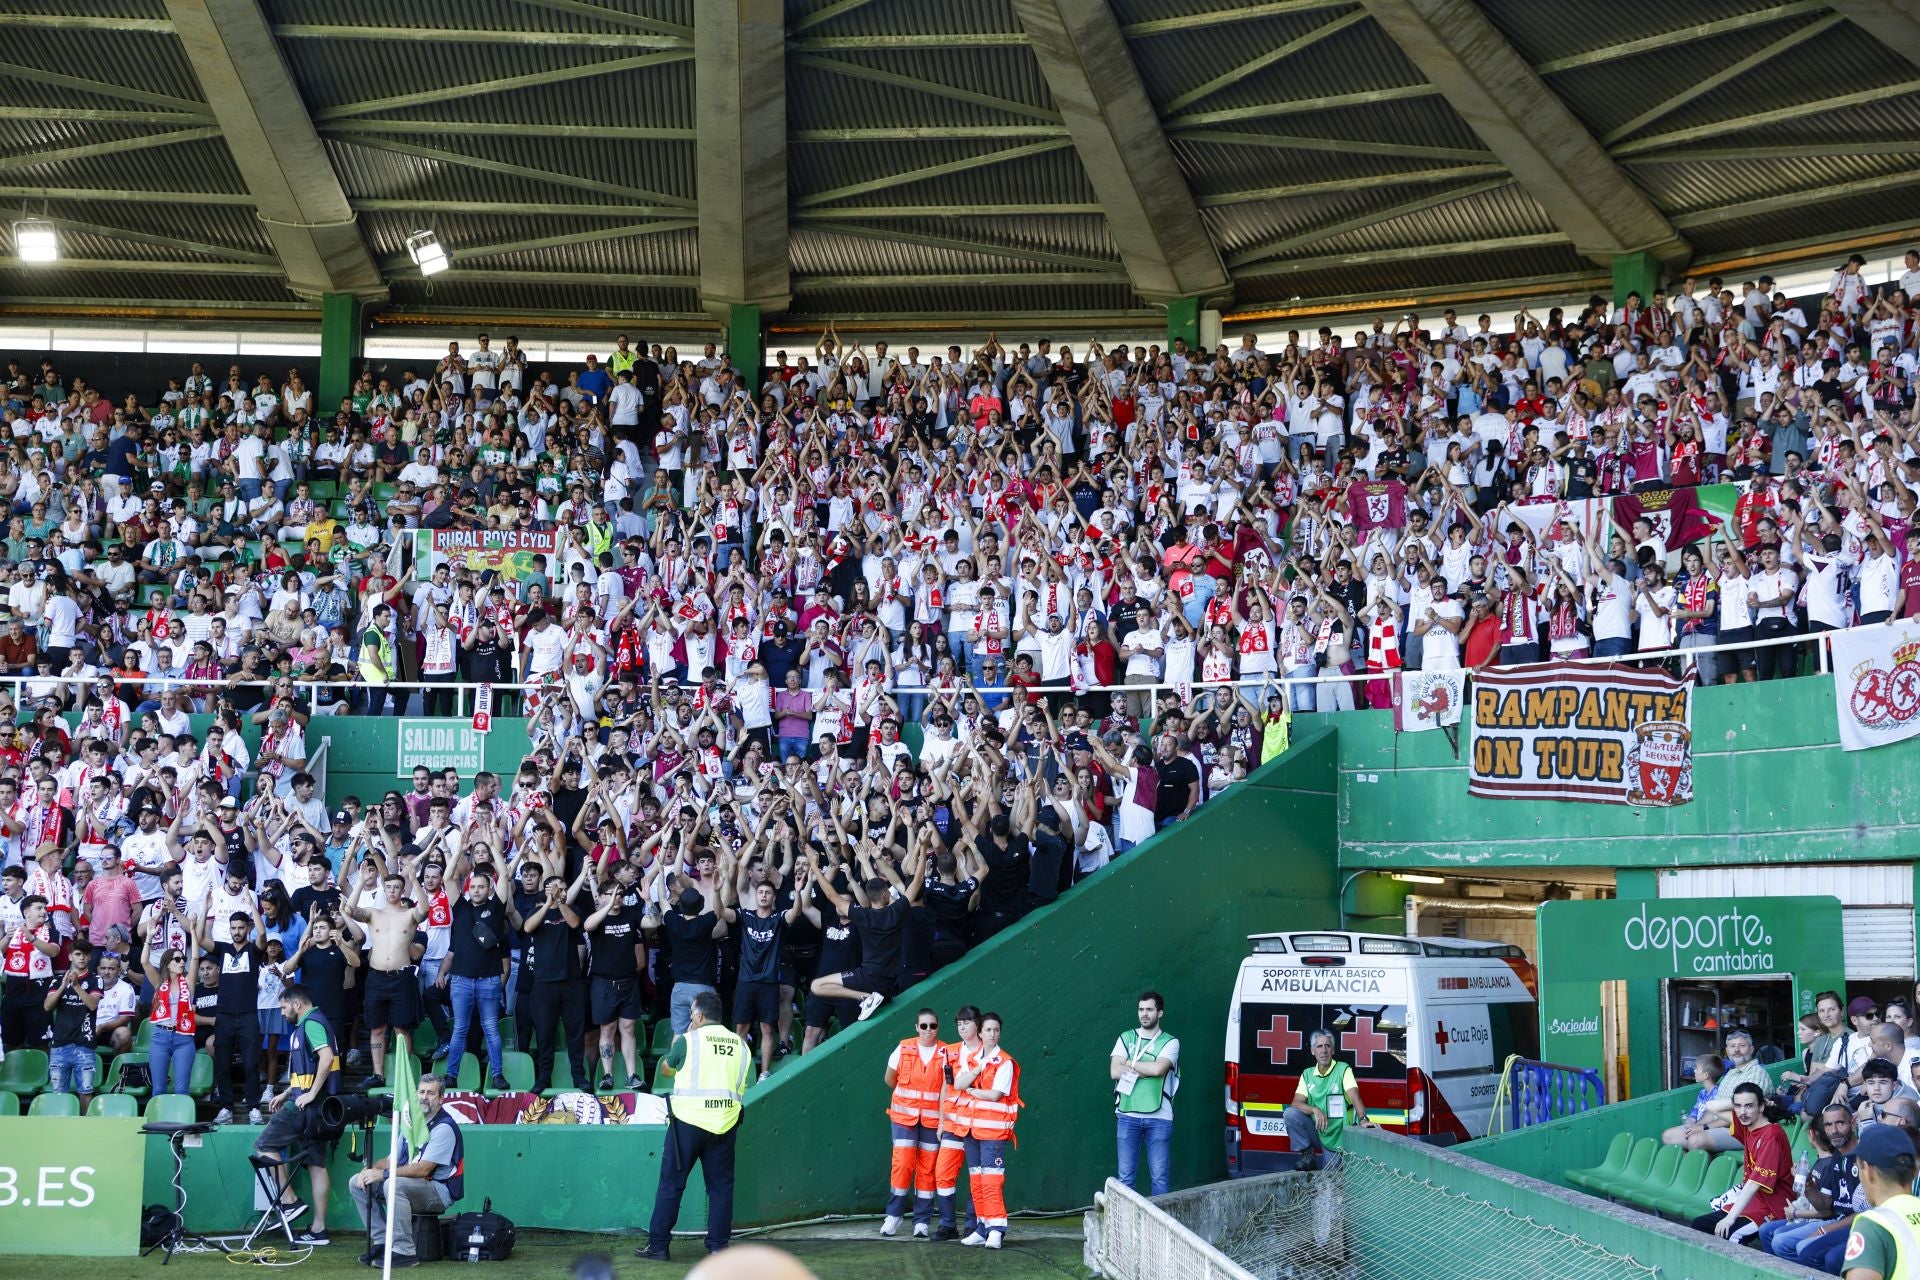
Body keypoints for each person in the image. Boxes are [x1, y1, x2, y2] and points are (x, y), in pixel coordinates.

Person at [636, 990, 751, 1263]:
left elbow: (665, 1069)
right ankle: (718, 1249)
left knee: (671, 1186)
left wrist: (684, 1037)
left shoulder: (689, 1040)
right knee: (721, 1189)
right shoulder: (741, 1045)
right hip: (725, 1124)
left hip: (687, 1125)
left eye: (691, 1015)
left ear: (698, 1015)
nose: (691, 1019)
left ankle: (659, 1246)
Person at [350, 1073, 464, 1269]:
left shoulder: (444, 1127)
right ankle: (383, 1242)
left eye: (431, 1093)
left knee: (394, 1184)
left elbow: (423, 1169)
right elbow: (390, 1160)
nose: (424, 1097)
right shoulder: (410, 1123)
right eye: (421, 1092)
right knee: (356, 1182)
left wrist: (384, 1175)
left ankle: (404, 1252)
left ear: (441, 1098)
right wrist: (372, 1169)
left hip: (439, 1191)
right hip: (416, 1186)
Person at [255, 983, 339, 1248]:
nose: (281, 1012)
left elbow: (326, 1059)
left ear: (296, 1004)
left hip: (307, 1106)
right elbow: (313, 1065)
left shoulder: (311, 1023)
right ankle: (319, 1230)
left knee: (264, 1145)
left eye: (282, 1007)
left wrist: (310, 1094)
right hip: (323, 1108)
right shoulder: (315, 1023)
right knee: (317, 1165)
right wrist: (287, 1091)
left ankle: (290, 1201)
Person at [1689, 1081, 1791, 1243]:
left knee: (1731, 1234)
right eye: (1738, 1106)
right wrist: (1739, 1102)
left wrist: (1730, 1218)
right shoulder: (1746, 1125)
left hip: (1774, 1207)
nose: (1742, 1112)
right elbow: (1711, 1105)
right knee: (1700, 1225)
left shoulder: (1772, 1134)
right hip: (1753, 1202)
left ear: (1761, 1107)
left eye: (1749, 1106)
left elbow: (1754, 1183)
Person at [956, 1010, 1021, 1250]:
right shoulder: (972, 1057)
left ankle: (996, 1230)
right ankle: (982, 1229)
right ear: (980, 1033)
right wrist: (974, 1073)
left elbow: (994, 1095)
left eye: (996, 1030)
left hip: (993, 1133)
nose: (993, 1034)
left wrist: (972, 1090)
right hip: (972, 1131)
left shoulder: (1005, 1062)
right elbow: (958, 1083)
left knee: (992, 1182)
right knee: (977, 1182)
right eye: (988, 1030)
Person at [881, 1006, 947, 1239]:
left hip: (932, 1121)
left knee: (927, 1170)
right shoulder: (903, 1048)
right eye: (924, 1026)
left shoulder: (947, 1053)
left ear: (938, 1027)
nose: (928, 1030)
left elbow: (947, 1090)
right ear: (916, 1028)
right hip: (903, 1118)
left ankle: (922, 1221)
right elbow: (890, 1079)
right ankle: (893, 1216)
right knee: (903, 1165)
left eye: (933, 1025)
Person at [1112, 990, 1180, 1196]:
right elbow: (1115, 1071)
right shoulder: (1125, 1038)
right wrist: (1146, 1067)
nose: (1144, 1014)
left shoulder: (1170, 1042)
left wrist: (1130, 1064)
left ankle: (1159, 1228)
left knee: (1159, 1179)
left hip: (1160, 1117)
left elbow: (1159, 1070)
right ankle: (1124, 1227)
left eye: (1149, 1009)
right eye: (1141, 1009)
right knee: (1125, 1179)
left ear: (1160, 1013)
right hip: (1127, 1115)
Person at [1285, 1029, 1372, 1171]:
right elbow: (1296, 1103)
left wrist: (1363, 1119)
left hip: (1338, 1135)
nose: (1324, 1050)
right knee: (1290, 1114)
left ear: (1333, 1050)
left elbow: (1355, 1096)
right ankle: (1308, 1154)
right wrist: (1315, 1109)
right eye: (1319, 1046)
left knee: (1331, 1182)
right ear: (1313, 1051)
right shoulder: (1307, 1074)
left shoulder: (1343, 1069)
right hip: (1318, 1129)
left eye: (1327, 1046)